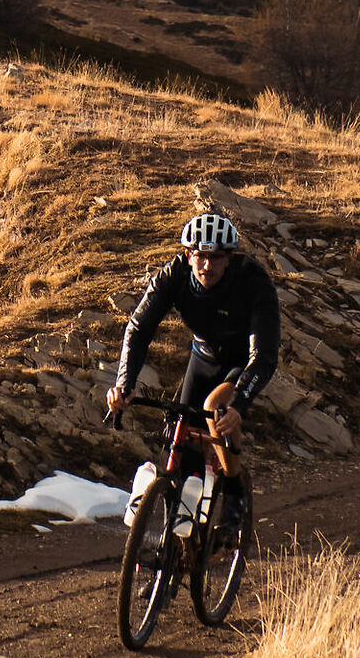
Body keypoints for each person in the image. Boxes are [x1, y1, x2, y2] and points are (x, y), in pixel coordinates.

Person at [105, 212, 281, 498]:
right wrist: (125, 383)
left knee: (215, 407)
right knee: (183, 439)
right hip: (202, 357)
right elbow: (138, 329)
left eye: (217, 258)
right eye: (201, 256)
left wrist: (239, 404)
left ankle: (235, 492)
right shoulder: (172, 275)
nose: (208, 266)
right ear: (188, 255)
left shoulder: (253, 281)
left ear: (230, 258)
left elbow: (264, 355)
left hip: (242, 364)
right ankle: (182, 529)